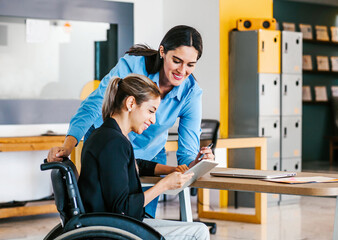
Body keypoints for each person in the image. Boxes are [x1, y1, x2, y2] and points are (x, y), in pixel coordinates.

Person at [48, 25, 214, 217]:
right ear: (162, 52)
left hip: (148, 154)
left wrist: (196, 163)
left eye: (190, 65)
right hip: (109, 145)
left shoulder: (191, 94)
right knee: (116, 212)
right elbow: (94, 105)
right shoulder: (133, 66)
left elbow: (187, 154)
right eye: (177, 61)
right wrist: (68, 146)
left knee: (142, 219)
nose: (182, 71)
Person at [77, 74, 209, 240]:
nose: (153, 120)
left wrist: (171, 170)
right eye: (151, 111)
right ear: (131, 103)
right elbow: (123, 209)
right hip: (114, 229)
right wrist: (164, 185)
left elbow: (132, 164)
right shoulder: (113, 142)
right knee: (199, 232)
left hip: (111, 224)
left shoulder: (107, 136)